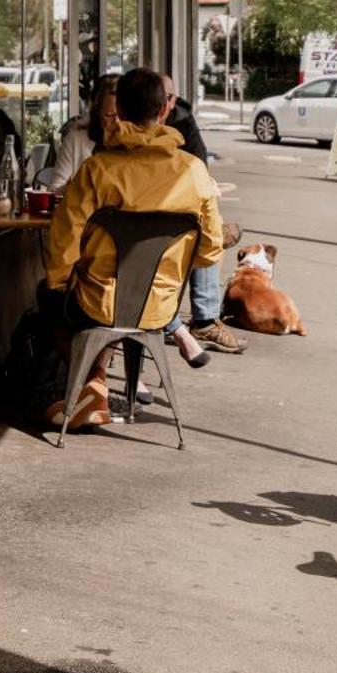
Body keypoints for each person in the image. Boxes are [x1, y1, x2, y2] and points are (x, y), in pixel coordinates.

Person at [45, 68, 225, 426]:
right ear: (164, 111)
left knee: (49, 305)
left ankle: (89, 388)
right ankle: (95, 391)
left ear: (120, 113)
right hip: (160, 308)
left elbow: (63, 243)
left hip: (97, 304)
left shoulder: (97, 170)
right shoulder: (193, 171)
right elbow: (209, 250)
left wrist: (61, 282)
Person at [162, 74, 245, 356]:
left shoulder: (183, 124)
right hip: (133, 272)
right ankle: (197, 321)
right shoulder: (104, 161)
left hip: (125, 275)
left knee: (203, 229)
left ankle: (201, 320)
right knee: (205, 235)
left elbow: (201, 166)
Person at [51, 73, 119, 191]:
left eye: (122, 116)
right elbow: (54, 190)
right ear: (97, 113)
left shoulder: (138, 143)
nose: (117, 122)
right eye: (109, 115)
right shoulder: (75, 140)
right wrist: (78, 185)